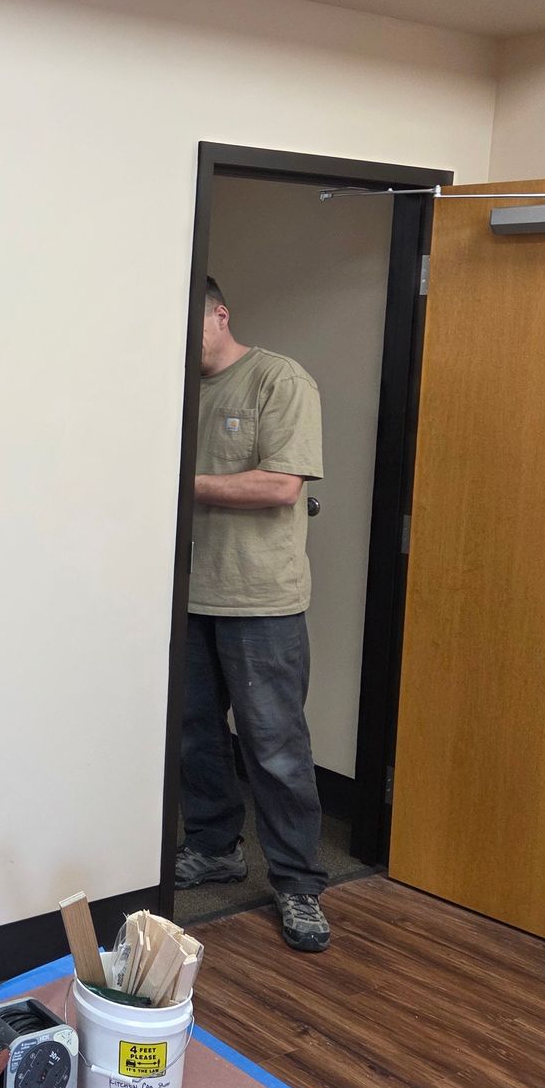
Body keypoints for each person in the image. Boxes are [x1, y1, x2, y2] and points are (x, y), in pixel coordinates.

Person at [177, 275, 331, 952]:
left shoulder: (278, 379)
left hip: (261, 600)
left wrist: (178, 483)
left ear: (219, 315)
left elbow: (280, 484)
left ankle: (299, 883)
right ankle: (215, 849)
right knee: (194, 738)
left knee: (275, 748)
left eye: (191, 321)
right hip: (186, 597)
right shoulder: (182, 392)